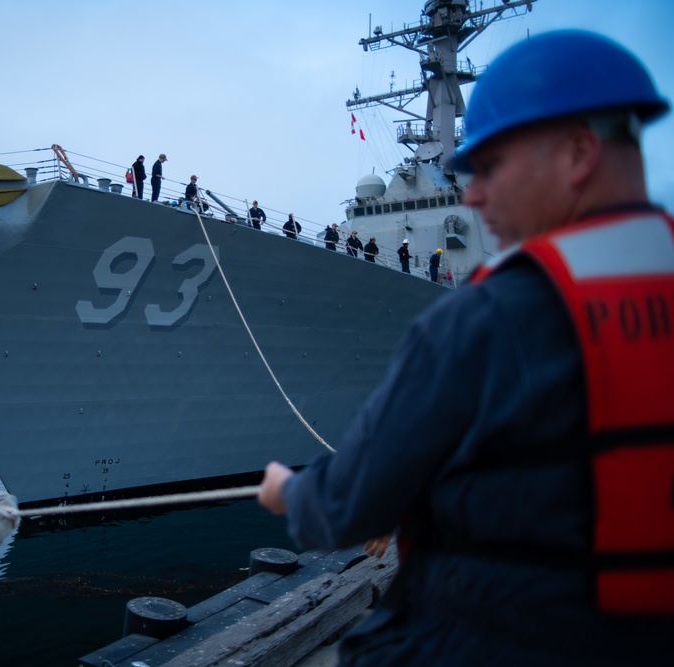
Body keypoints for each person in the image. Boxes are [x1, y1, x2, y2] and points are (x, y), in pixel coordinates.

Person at [258, 30, 674, 665]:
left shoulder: (485, 317)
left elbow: (346, 505)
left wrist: (288, 489)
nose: (473, 195)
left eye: (490, 168)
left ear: (579, 153)